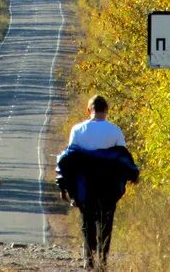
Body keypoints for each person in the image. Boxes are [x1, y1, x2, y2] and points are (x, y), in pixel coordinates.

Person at [56, 95, 139, 270]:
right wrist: (133, 176)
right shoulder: (115, 131)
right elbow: (123, 158)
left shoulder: (78, 130)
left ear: (89, 110)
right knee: (106, 222)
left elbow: (68, 160)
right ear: (106, 111)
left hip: (85, 185)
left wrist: (64, 187)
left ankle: (89, 259)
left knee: (87, 221)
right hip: (109, 186)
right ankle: (103, 259)